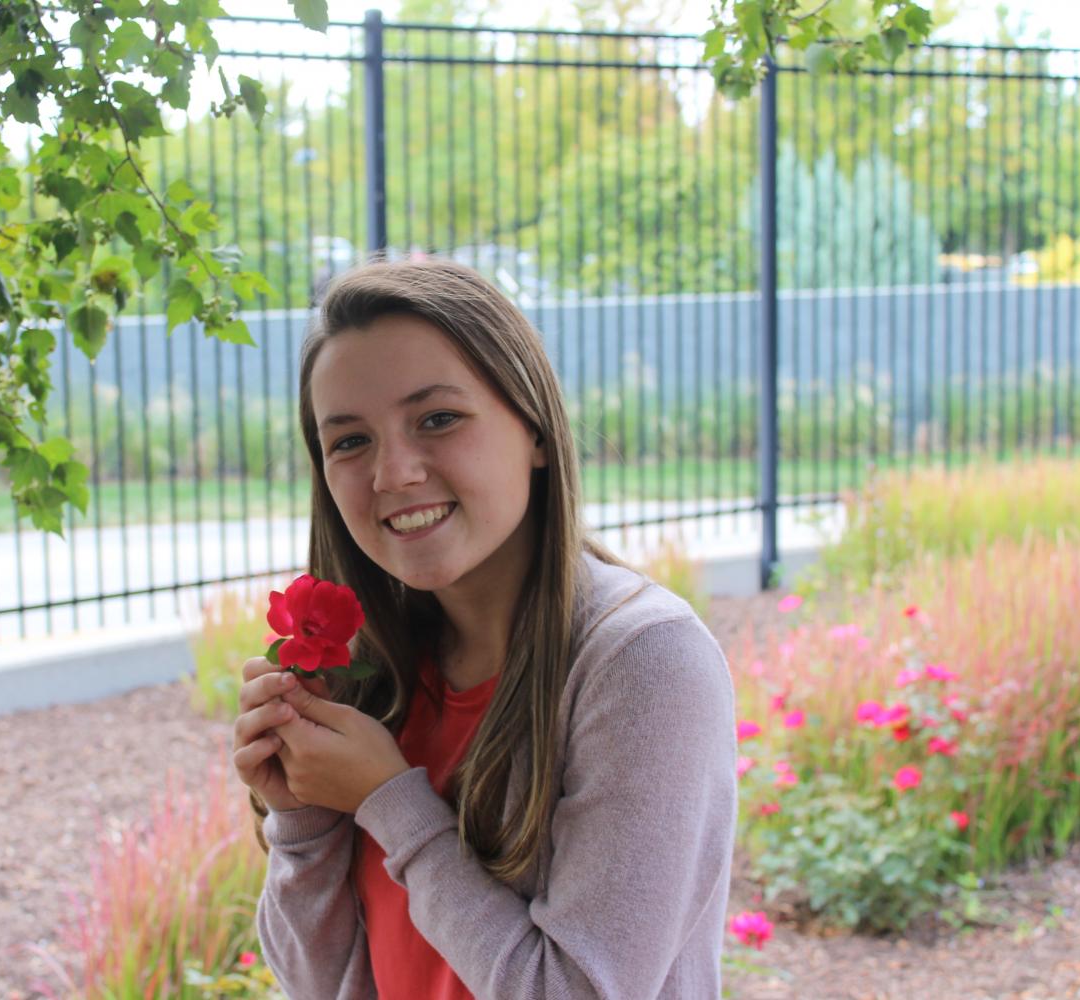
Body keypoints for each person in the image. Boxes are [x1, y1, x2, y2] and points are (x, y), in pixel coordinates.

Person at [230, 258, 737, 999]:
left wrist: (391, 803)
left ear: (533, 427)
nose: (393, 473)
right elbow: (325, 985)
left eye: (437, 419)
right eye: (350, 441)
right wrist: (302, 820)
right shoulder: (374, 677)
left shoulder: (645, 661)